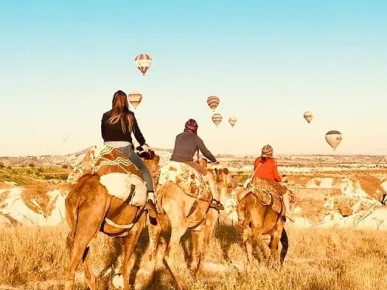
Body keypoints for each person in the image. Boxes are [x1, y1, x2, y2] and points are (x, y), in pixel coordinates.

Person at [101, 90, 158, 218]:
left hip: (107, 149)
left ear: (113, 100)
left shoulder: (105, 115)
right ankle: (150, 199)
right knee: (144, 170)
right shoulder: (129, 115)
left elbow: (103, 135)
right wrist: (144, 145)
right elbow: (137, 134)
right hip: (124, 149)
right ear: (126, 101)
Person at [170, 119, 224, 211]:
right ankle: (215, 200)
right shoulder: (197, 139)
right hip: (186, 162)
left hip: (172, 162)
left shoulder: (178, 136)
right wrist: (214, 160)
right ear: (195, 129)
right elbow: (206, 152)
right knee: (209, 176)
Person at [252, 144, 294, 222]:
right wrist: (282, 179)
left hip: (256, 182)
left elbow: (255, 170)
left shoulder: (257, 159)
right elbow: (276, 176)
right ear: (271, 153)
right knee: (284, 192)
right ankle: (288, 212)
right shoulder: (272, 161)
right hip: (268, 182)